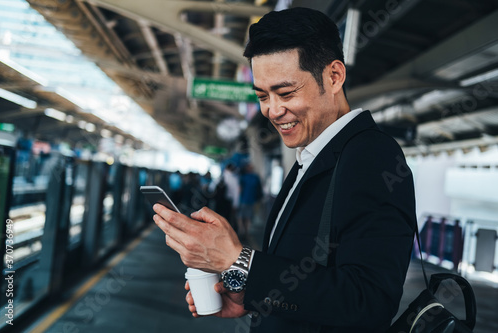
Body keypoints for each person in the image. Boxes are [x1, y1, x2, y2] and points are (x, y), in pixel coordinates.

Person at [153, 7, 416, 333]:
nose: (273, 111)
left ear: (334, 76)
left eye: (286, 92)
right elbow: (307, 273)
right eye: (262, 95)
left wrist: (237, 260)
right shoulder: (312, 155)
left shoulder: (371, 156)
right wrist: (250, 293)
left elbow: (369, 301)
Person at [237, 163, 263, 240]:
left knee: (243, 216)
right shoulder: (253, 177)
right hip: (248, 200)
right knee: (246, 216)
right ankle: (245, 232)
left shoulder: (244, 177)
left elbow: (240, 189)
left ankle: (243, 232)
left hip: (245, 200)